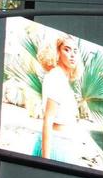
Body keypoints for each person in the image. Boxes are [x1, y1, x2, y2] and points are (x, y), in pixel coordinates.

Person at [34, 34, 83, 164]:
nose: (72, 54)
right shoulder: (56, 77)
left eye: (75, 51)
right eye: (67, 49)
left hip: (63, 144)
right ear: (57, 52)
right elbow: (48, 119)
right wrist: (46, 160)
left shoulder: (62, 78)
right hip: (55, 145)